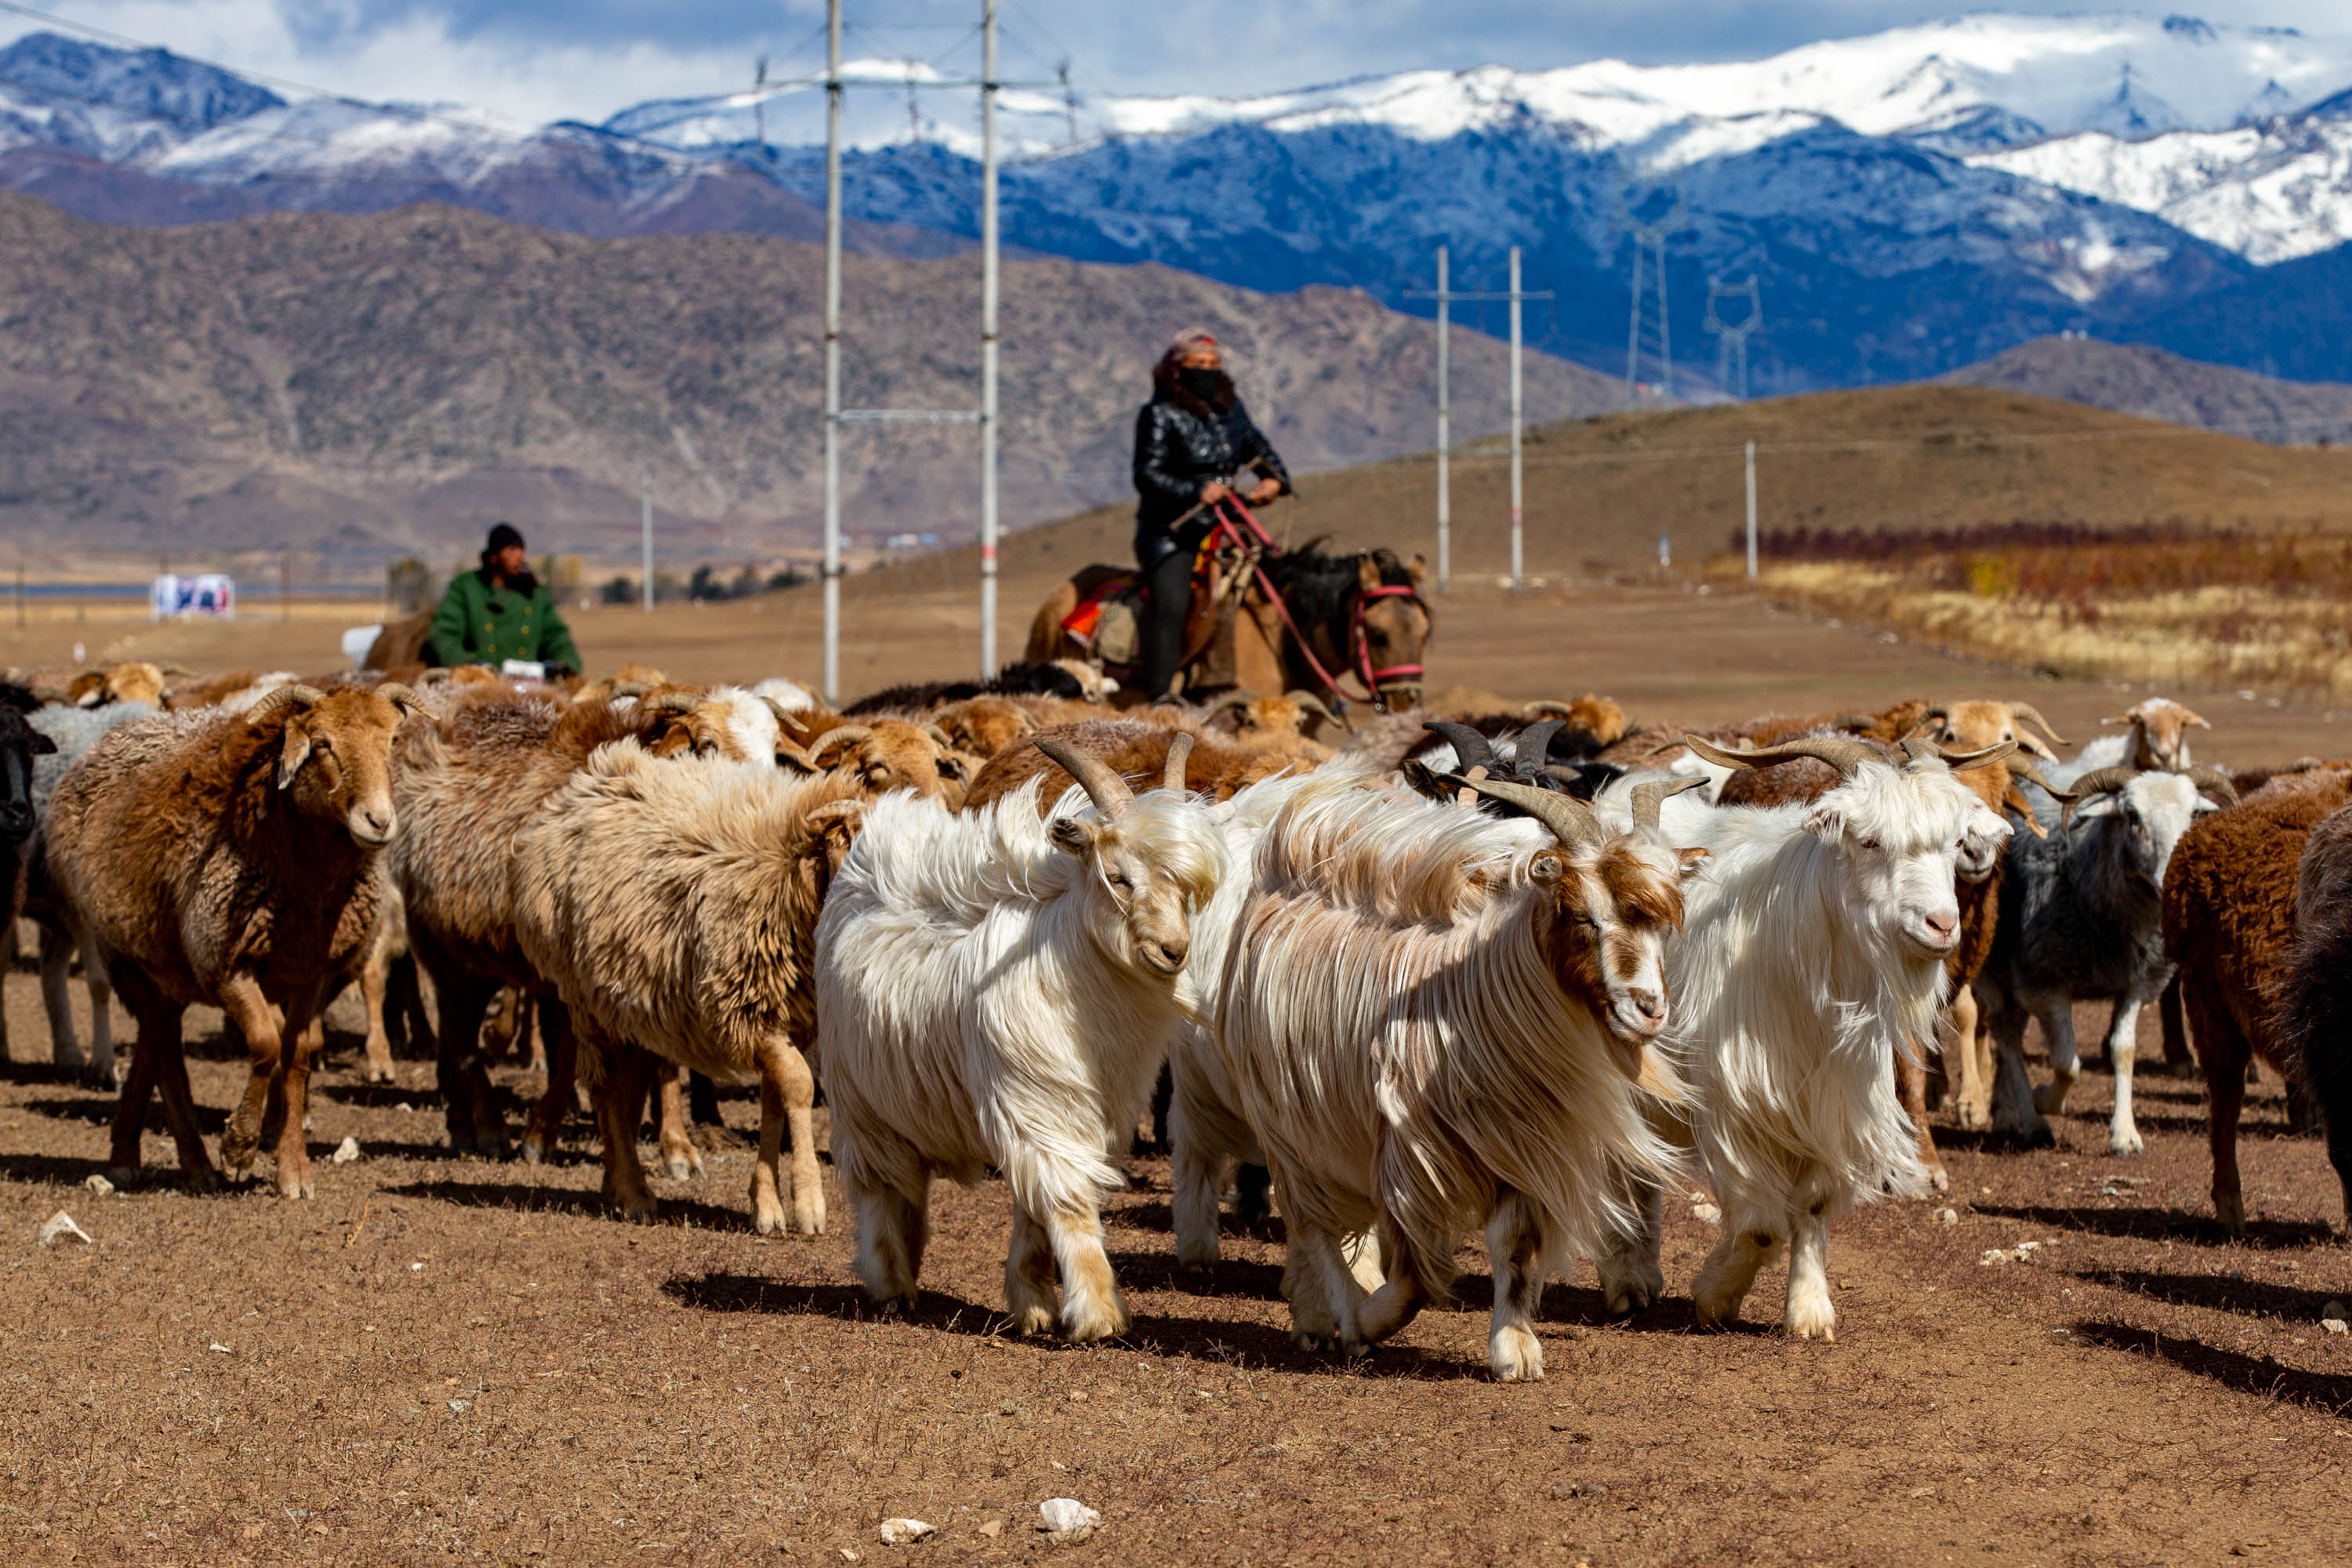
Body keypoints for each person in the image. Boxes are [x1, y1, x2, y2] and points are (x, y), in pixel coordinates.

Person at [1131, 329, 1289, 699]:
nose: (1207, 370)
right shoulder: (1158, 414)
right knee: (1173, 603)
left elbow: (1258, 446)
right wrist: (1196, 490)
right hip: (1173, 533)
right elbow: (1146, 474)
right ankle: (1159, 695)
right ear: (1176, 370)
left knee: (1282, 584)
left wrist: (1275, 481)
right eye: (1197, 364)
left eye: (1213, 364)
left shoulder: (1231, 409)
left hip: (1230, 526)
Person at [426, 522, 581, 676]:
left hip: (529, 684)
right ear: (494, 557)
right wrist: (472, 666)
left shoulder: (535, 595)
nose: (519, 555)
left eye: (521, 549)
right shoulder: (466, 589)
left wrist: (563, 665)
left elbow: (557, 636)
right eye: (512, 549)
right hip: (478, 682)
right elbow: (444, 636)